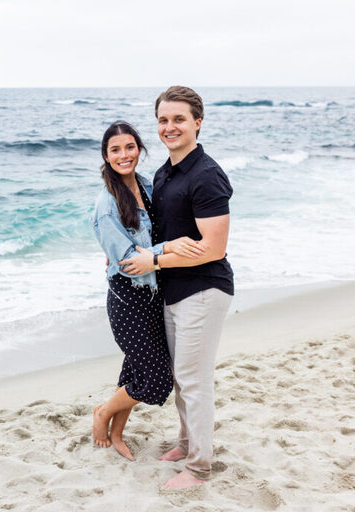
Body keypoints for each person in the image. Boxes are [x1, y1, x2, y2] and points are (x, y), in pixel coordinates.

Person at [121, 86, 234, 490]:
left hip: (204, 288)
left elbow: (213, 247)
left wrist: (153, 260)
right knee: (181, 377)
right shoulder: (166, 173)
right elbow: (159, 232)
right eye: (164, 120)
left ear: (197, 123)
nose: (169, 127)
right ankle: (186, 443)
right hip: (174, 290)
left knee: (194, 380)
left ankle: (200, 467)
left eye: (179, 119)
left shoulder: (206, 175)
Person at [90, 121, 203, 461]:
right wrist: (173, 247)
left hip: (155, 293)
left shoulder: (147, 186)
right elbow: (128, 260)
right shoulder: (106, 203)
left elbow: (148, 248)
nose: (124, 155)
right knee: (156, 381)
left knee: (135, 370)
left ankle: (117, 433)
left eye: (129, 147)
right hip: (129, 298)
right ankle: (102, 413)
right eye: (115, 150)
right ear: (106, 157)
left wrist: (162, 249)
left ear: (139, 148)